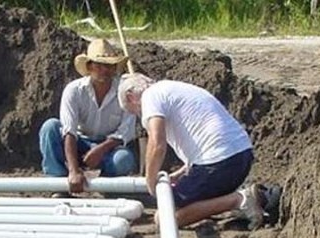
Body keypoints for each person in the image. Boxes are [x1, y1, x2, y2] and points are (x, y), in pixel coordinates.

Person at [117, 73, 280, 228]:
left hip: (221, 163)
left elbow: (157, 143)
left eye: (134, 111)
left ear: (131, 97)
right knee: (184, 199)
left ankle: (240, 200)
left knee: (167, 215)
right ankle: (238, 201)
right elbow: (202, 135)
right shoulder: (170, 89)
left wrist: (150, 180)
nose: (140, 115)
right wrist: (182, 173)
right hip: (240, 155)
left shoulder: (150, 97)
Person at [39, 39, 137, 194]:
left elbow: (126, 132)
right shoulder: (74, 90)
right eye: (99, 65)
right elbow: (69, 131)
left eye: (109, 65)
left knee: (123, 159)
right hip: (80, 143)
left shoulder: (125, 92)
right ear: (90, 66)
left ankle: (108, 186)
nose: (104, 70)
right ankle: (58, 183)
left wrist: (100, 149)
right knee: (50, 127)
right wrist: (74, 170)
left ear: (114, 68)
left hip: (109, 146)